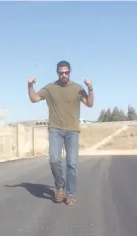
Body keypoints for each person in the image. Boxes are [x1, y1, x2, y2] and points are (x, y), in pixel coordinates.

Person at [27, 60, 94, 206]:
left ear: (70, 72)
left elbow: (89, 103)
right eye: (61, 72)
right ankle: (59, 186)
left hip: (72, 131)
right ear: (57, 72)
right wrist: (30, 86)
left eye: (66, 72)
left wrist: (90, 88)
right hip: (55, 129)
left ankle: (69, 194)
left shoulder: (77, 88)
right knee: (54, 159)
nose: (64, 75)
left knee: (72, 164)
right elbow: (34, 99)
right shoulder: (50, 88)